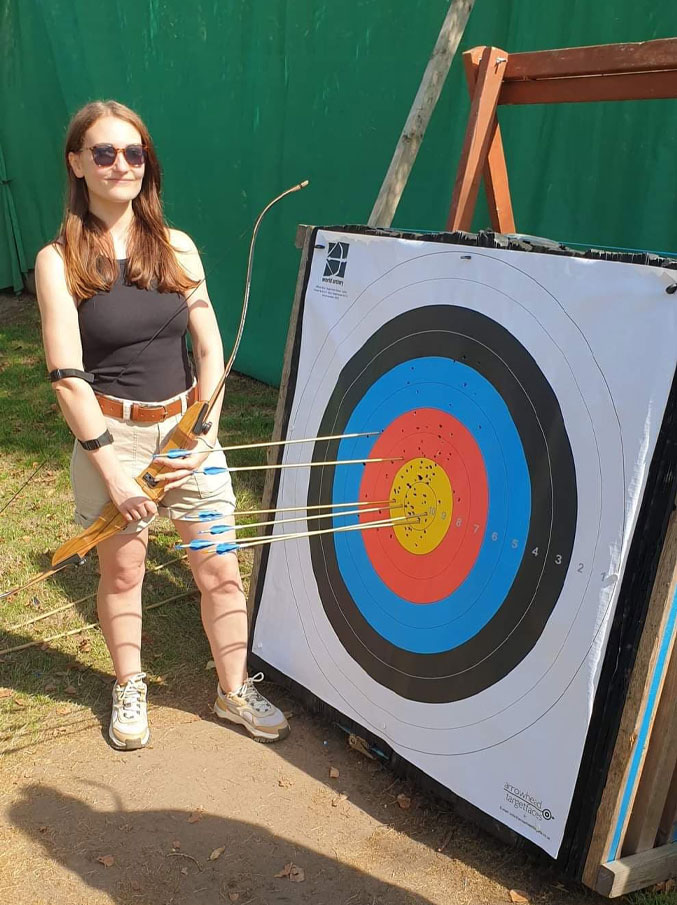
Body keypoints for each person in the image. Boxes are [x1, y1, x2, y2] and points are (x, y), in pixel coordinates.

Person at [34, 100, 289, 749]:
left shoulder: (177, 247)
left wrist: (204, 434)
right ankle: (129, 683)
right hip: (111, 441)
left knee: (220, 568)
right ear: (77, 163)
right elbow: (67, 376)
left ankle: (234, 689)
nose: (121, 164)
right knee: (123, 575)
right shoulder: (57, 260)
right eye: (104, 152)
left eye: (134, 152)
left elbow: (209, 345)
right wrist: (113, 472)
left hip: (187, 433)